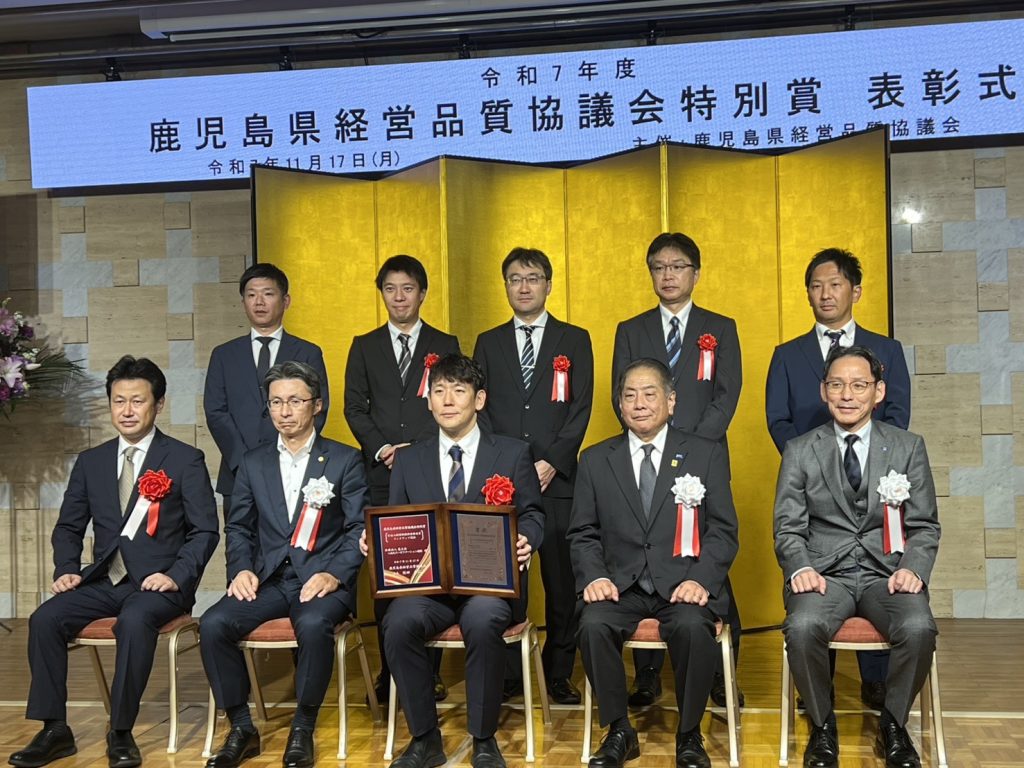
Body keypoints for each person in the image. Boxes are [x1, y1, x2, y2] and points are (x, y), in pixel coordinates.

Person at [9, 356, 219, 768]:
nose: (126, 410)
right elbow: (68, 527)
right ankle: (54, 729)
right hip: (106, 581)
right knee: (45, 619)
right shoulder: (92, 462)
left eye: (137, 401)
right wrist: (66, 569)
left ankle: (120, 731)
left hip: (160, 585)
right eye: (118, 401)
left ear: (158, 404)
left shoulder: (184, 459)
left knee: (135, 621)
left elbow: (205, 531)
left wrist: (176, 576)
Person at [362, 354, 544, 768]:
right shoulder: (408, 459)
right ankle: (425, 738)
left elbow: (534, 513)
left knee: (482, 619)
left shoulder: (512, 453)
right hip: (428, 590)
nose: (447, 400)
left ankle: (484, 737)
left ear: (479, 399)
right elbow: (398, 520)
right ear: (428, 400)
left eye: (458, 391)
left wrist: (527, 539)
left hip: (489, 586)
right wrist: (376, 541)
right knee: (398, 622)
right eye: (439, 391)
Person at [774, 345, 939, 768]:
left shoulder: (907, 447)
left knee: (919, 626)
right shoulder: (800, 449)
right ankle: (822, 724)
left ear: (878, 392)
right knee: (802, 626)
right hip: (825, 575)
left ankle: (893, 725)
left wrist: (913, 569)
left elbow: (924, 525)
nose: (847, 394)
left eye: (859, 385)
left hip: (888, 575)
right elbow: (788, 527)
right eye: (837, 385)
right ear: (823, 391)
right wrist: (800, 567)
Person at [569, 358, 738, 768]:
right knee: (592, 624)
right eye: (629, 395)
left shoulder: (705, 453)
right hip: (621, 585)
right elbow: (582, 531)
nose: (639, 404)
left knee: (692, 627)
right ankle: (619, 730)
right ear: (620, 404)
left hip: (683, 583)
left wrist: (701, 580)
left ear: (671, 401)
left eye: (649, 394)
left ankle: (689, 732)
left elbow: (722, 530)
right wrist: (594, 576)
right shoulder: (595, 459)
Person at [201, 361, 367, 768]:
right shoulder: (253, 462)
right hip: (269, 579)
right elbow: (238, 526)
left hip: (322, 580)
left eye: (295, 401)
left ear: (317, 405)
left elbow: (358, 529)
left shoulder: (344, 459)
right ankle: (241, 727)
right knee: (214, 623)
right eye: (276, 402)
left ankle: (302, 727)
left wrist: (334, 574)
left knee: (312, 624)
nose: (284, 411)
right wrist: (241, 569)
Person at [765, 247, 911, 708]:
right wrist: (813, 466)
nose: (825, 294)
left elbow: (898, 415)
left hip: (876, 487)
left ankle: (876, 681)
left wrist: (869, 463)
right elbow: (777, 419)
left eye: (834, 284)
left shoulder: (887, 349)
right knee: (815, 585)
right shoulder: (787, 354)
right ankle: (817, 688)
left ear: (856, 291)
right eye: (816, 286)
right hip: (813, 491)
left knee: (877, 571)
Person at [611, 232, 742, 707]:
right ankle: (647, 675)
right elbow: (621, 391)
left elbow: (727, 393)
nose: (668, 275)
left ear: (696, 273)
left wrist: (690, 448)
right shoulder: (631, 328)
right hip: (646, 460)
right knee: (648, 557)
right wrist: (658, 440)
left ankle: (721, 675)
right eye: (659, 267)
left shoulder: (719, 327)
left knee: (706, 558)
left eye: (678, 266)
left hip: (701, 461)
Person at [473, 246, 594, 705]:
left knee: (562, 584)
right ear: (505, 286)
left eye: (532, 278)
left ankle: (559, 672)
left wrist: (553, 462)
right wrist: (512, 466)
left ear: (548, 284)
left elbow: (581, 407)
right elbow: (479, 406)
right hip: (502, 483)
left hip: (558, 482)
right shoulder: (488, 341)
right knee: (507, 579)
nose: (523, 287)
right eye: (514, 279)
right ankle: (510, 673)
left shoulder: (574, 338)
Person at [344, 254, 460, 703]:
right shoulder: (364, 345)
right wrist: (384, 448)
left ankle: (430, 671)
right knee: (389, 569)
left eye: (407, 288)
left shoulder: (444, 342)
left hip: (432, 466)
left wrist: (417, 450)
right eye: (390, 289)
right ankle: (390, 669)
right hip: (381, 471)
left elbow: (453, 402)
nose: (398, 297)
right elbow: (355, 406)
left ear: (422, 293)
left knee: (436, 564)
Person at [204, 262, 329, 518]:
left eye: (268, 294)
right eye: (251, 295)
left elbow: (318, 407)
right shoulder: (224, 354)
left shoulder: (308, 352)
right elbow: (215, 411)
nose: (259, 302)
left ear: (286, 301)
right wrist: (244, 462)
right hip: (238, 473)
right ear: (243, 302)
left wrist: (288, 456)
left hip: (295, 468)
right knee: (240, 539)